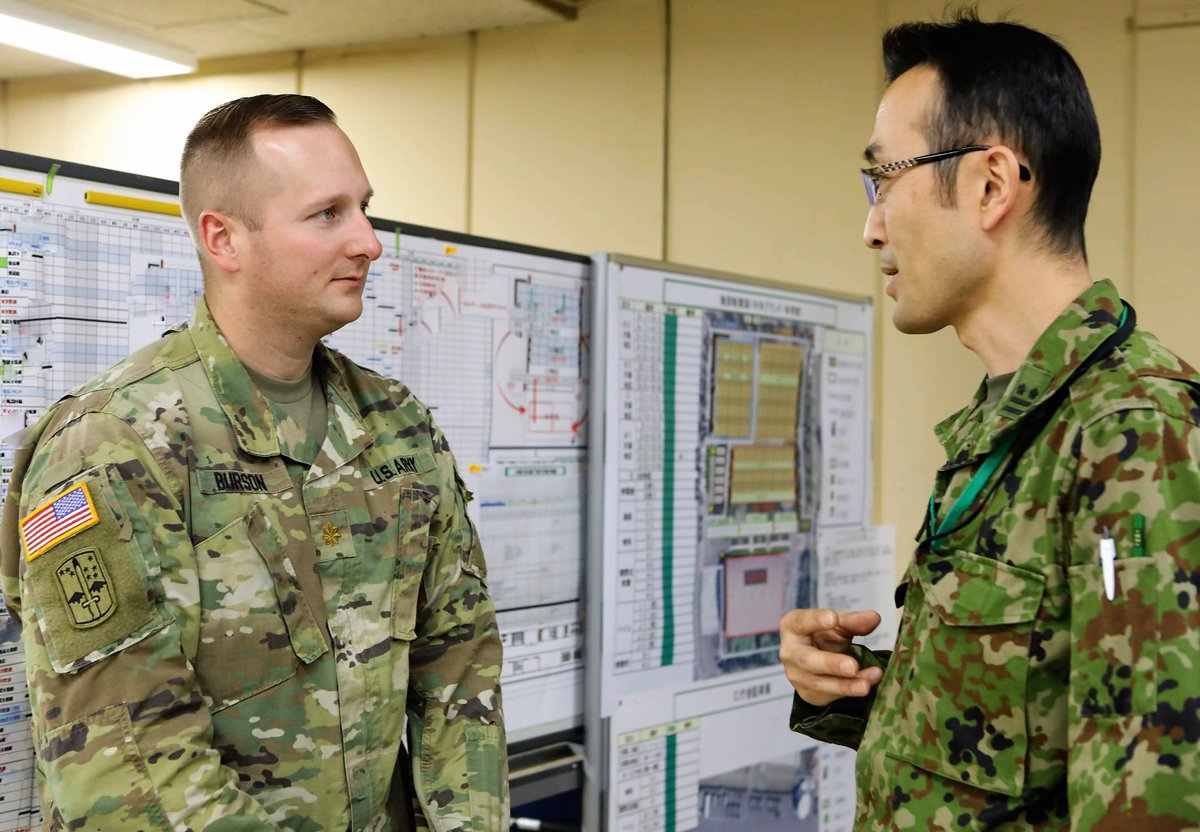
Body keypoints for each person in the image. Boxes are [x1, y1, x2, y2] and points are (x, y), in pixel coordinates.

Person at [0, 94, 508, 830]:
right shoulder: (116, 442)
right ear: (224, 239)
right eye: (327, 214)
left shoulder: (397, 429)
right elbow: (128, 767)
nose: (368, 241)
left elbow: (461, 671)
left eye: (363, 208)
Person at [780, 10, 1200, 830]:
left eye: (883, 181)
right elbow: (1022, 739)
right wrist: (848, 686)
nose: (871, 227)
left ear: (992, 185)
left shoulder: (1135, 432)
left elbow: (1151, 799)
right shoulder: (1008, 426)